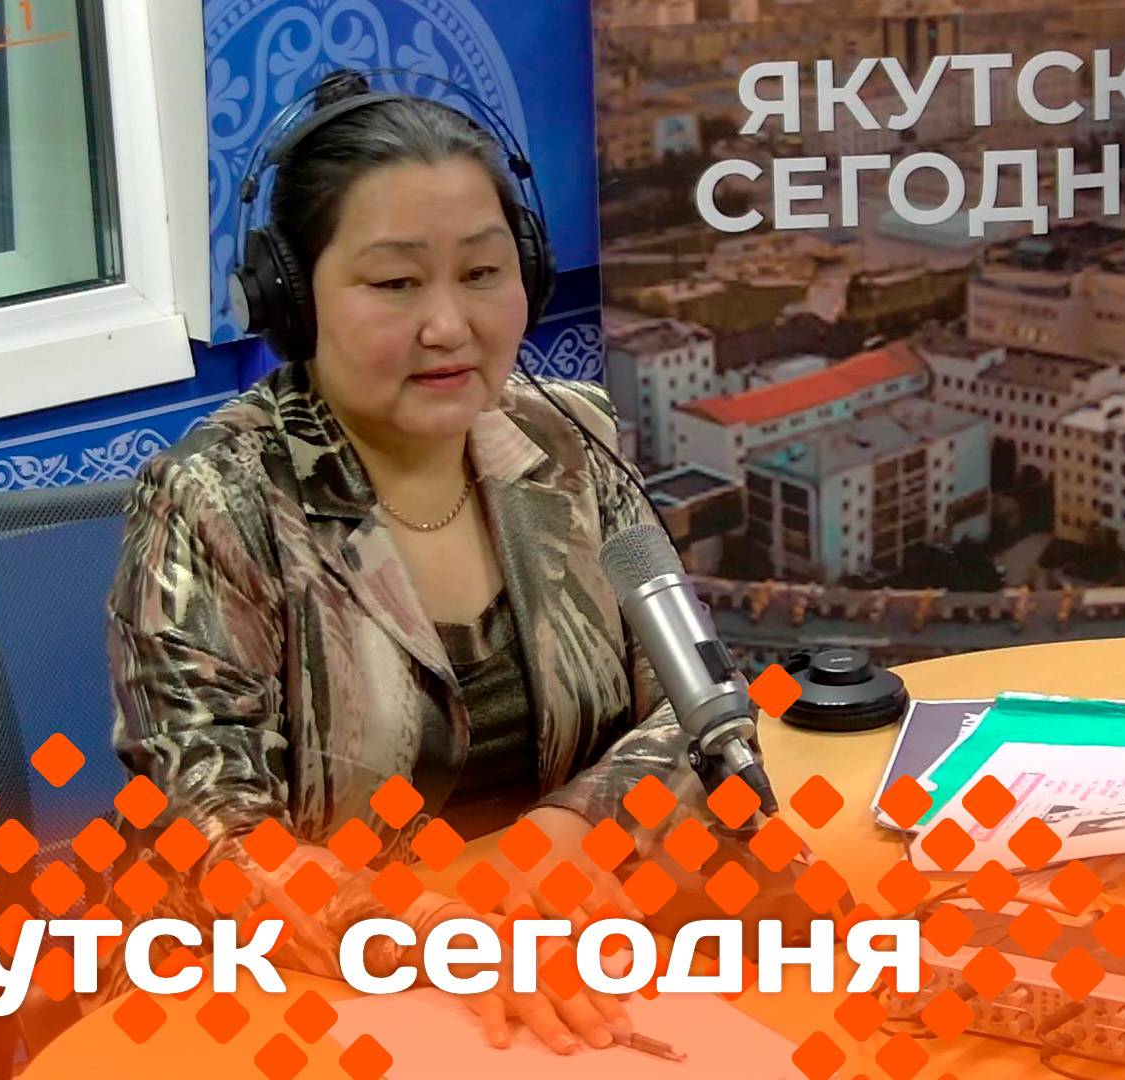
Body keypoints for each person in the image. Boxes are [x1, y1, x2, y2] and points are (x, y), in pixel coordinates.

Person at [106, 70, 707, 1054]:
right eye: (395, 284)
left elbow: (696, 711)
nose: (450, 325)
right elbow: (208, 839)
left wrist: (564, 834)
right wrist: (436, 931)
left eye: (483, 273)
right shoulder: (215, 502)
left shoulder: (569, 439)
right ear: (294, 301)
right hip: (305, 1005)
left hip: (564, 961)